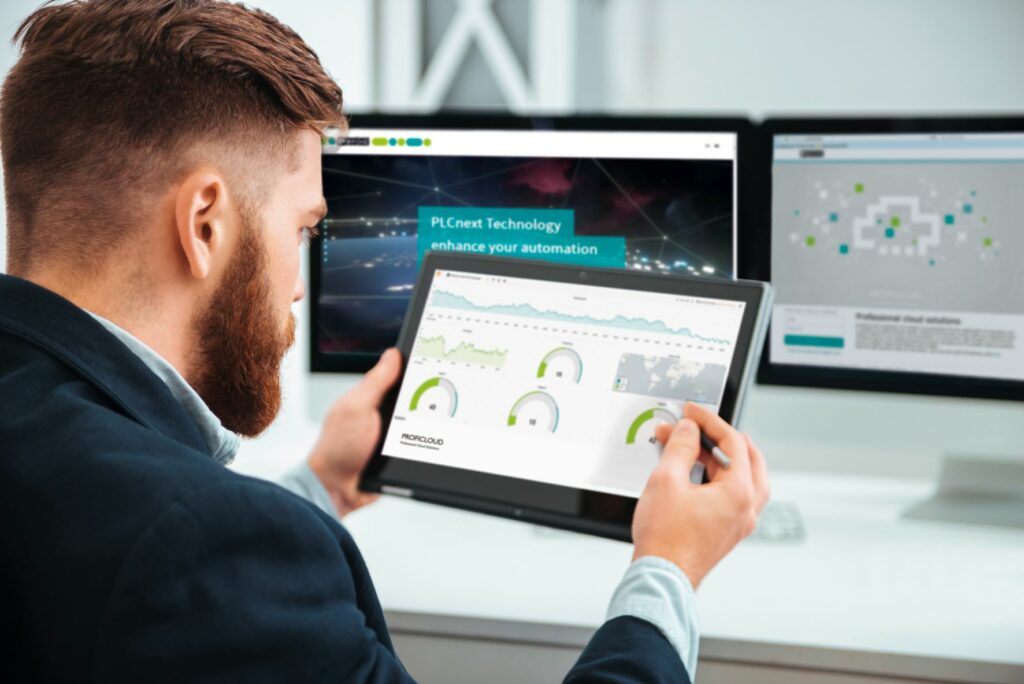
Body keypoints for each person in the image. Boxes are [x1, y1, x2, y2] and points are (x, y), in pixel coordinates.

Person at [0, 1, 770, 681]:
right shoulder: (204, 540)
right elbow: (180, 550)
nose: (299, 285)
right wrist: (666, 568)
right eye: (303, 231)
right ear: (205, 224)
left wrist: (324, 487)